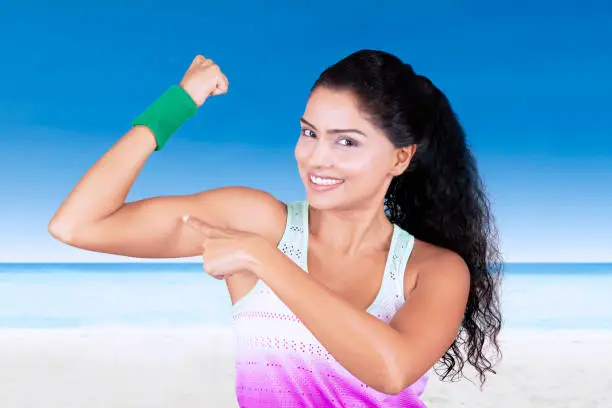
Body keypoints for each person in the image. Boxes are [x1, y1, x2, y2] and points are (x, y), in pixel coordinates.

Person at [48, 49, 503, 407]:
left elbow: (390, 368)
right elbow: (77, 225)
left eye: (346, 141)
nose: (317, 158)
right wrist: (177, 103)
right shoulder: (260, 222)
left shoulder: (434, 270)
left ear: (401, 157)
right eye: (310, 133)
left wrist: (262, 259)